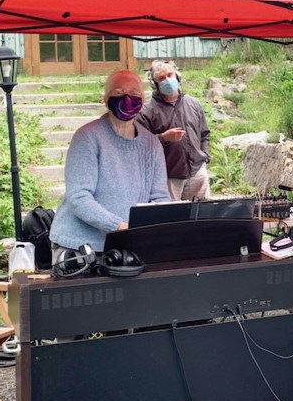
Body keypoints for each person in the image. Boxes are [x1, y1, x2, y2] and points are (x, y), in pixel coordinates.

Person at [49, 70, 169, 256]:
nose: (127, 99)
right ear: (106, 100)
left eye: (134, 94)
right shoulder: (87, 137)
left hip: (128, 245)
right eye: (119, 93)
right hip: (80, 247)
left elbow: (160, 196)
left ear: (143, 100)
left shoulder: (152, 144)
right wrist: (120, 227)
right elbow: (79, 197)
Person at [137, 60, 212, 201]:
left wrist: (204, 156)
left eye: (169, 75)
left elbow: (204, 134)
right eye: (161, 78)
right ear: (155, 84)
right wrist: (163, 138)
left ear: (177, 76)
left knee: (202, 216)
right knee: (172, 217)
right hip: (169, 176)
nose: (167, 80)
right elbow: (140, 144)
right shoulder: (147, 112)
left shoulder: (193, 103)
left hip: (197, 171)